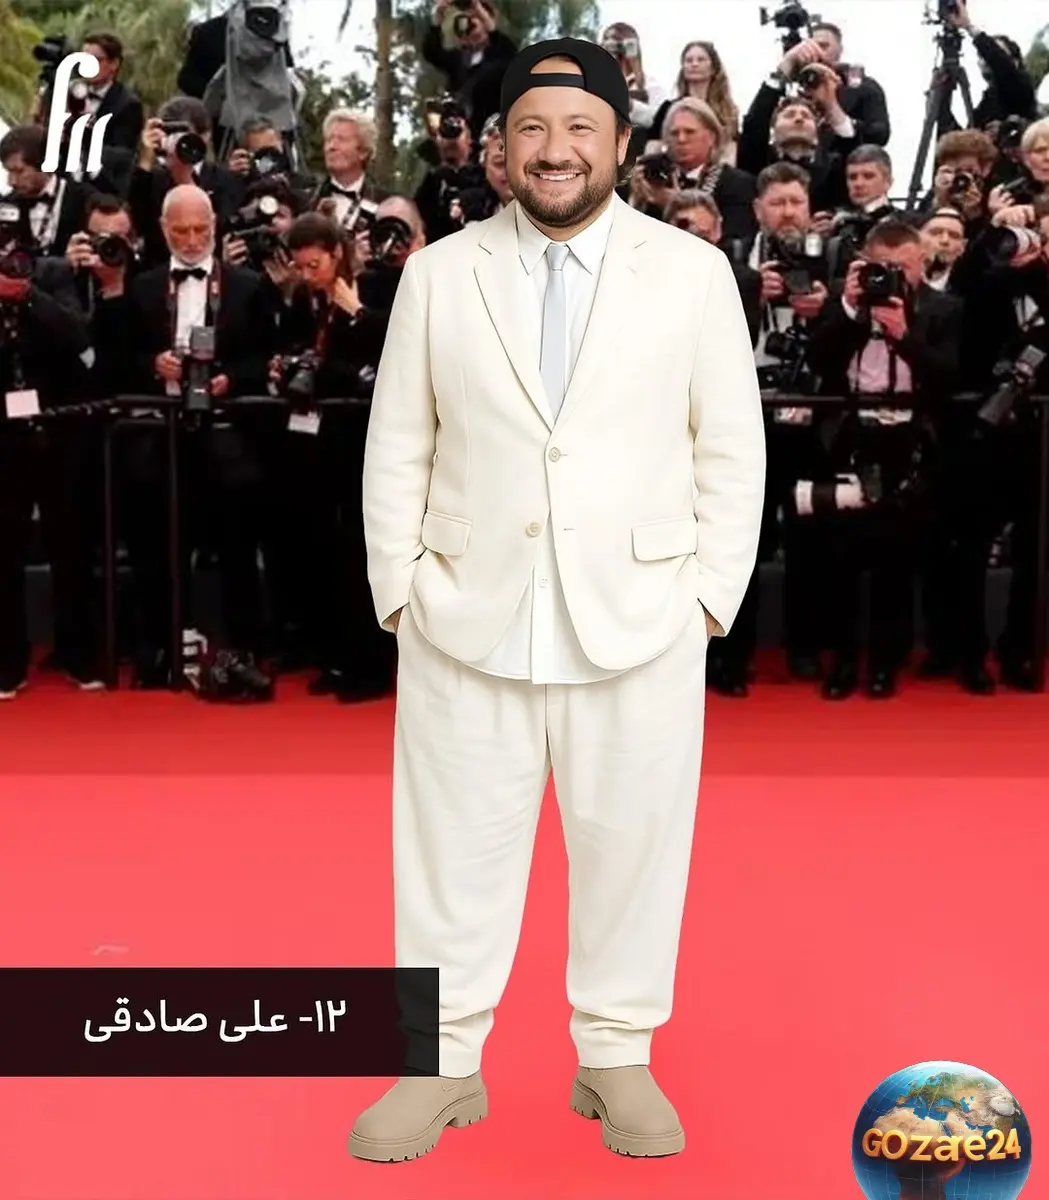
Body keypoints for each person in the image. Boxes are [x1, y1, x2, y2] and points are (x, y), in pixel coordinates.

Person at [354, 38, 764, 1162]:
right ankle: (437, 1065)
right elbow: (397, 447)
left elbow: (730, 451)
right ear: (499, 148)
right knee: (446, 857)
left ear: (620, 144)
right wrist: (402, 594)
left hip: (640, 616)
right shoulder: (439, 275)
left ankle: (615, 1054)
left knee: (632, 846)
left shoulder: (691, 276)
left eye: (580, 128)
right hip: (462, 613)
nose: (554, 149)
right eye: (531, 127)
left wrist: (704, 603)